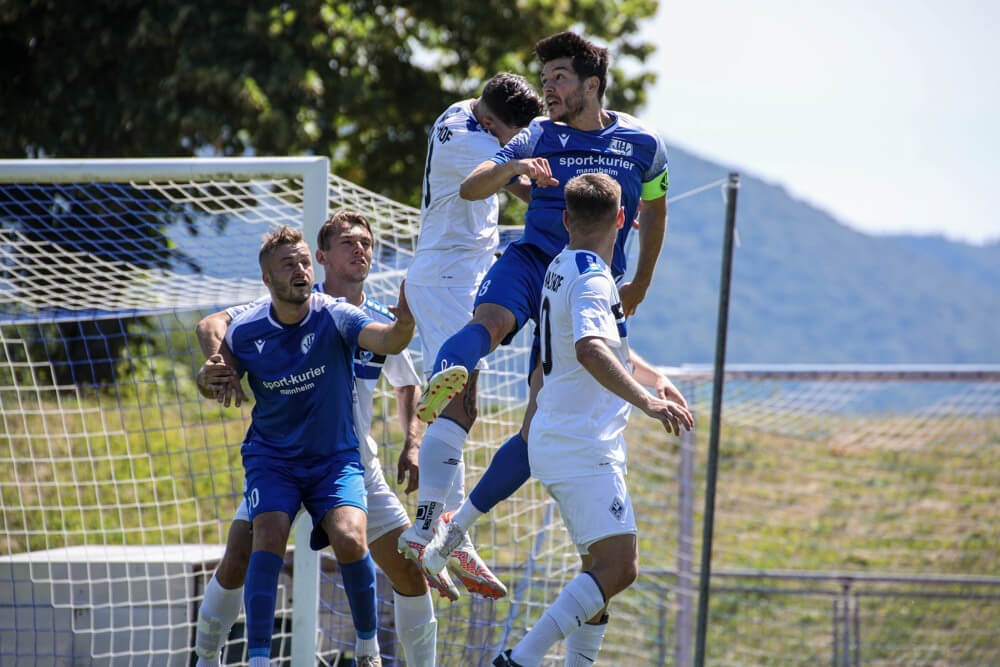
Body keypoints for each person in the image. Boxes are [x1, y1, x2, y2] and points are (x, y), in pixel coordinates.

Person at [409, 31, 684, 579]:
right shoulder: (537, 132)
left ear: (592, 84)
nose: (548, 87)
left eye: (559, 77)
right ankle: (445, 377)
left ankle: (453, 532)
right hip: (533, 259)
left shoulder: (644, 144)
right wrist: (515, 168)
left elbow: (656, 211)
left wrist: (641, 285)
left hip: (583, 288)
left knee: (536, 430)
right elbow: (471, 188)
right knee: (485, 323)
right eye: (545, 78)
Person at [198, 224, 415, 667]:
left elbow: (388, 340)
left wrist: (406, 321)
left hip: (337, 459)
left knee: (352, 538)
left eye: (302, 262)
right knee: (261, 539)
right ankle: (227, 657)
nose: (299, 269)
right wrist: (212, 371)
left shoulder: (334, 313)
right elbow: (213, 338)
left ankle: (368, 652)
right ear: (267, 280)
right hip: (274, 460)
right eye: (288, 264)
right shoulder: (248, 326)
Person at [503, 173, 695, 665]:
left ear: (566, 219)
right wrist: (646, 401)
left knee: (597, 576)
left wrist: (652, 377)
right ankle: (520, 659)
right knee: (621, 567)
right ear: (623, 220)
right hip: (580, 442)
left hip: (564, 436)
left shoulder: (562, 265)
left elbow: (597, 343)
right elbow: (590, 348)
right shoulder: (593, 278)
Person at [398, 72, 543, 599]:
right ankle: (428, 528)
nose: (510, 143)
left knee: (465, 406)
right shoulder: (470, 140)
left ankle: (440, 529)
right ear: (488, 122)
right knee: (457, 405)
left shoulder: (467, 110)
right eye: (507, 135)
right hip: (448, 278)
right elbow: (476, 183)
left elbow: (513, 177)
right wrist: (515, 166)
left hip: (452, 275)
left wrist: (537, 179)